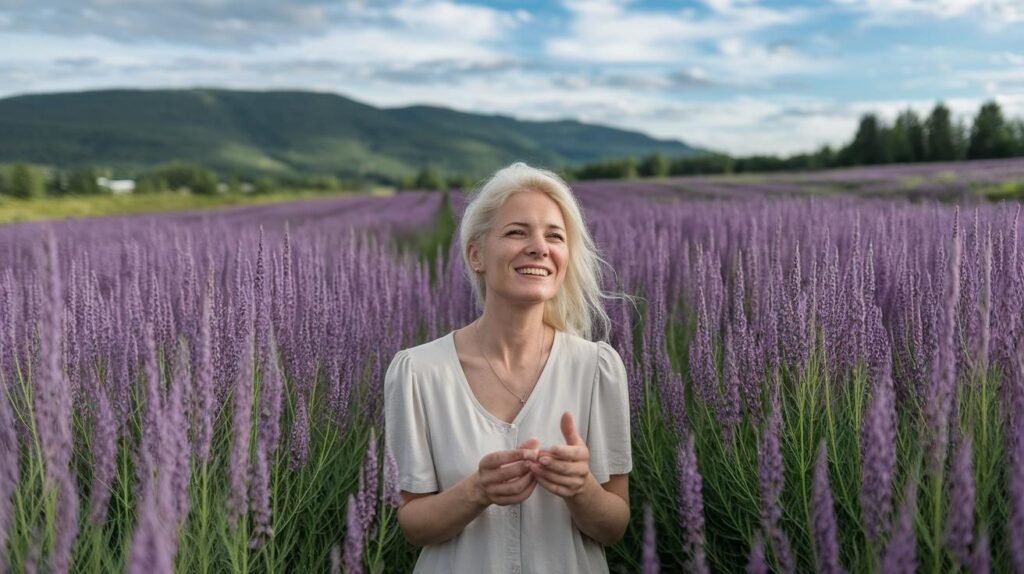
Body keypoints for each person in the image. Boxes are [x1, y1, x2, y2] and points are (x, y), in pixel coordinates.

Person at [384, 162, 632, 573]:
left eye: (555, 236)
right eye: (517, 232)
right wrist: (476, 491)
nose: (539, 247)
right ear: (476, 254)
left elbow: (613, 527)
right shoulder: (419, 373)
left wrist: (581, 488)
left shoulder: (597, 368)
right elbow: (413, 525)